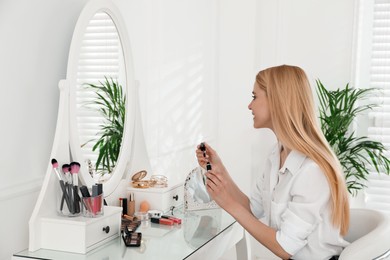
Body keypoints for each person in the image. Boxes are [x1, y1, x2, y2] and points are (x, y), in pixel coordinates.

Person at [196, 65, 350, 260]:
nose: (249, 106)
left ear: (277, 101)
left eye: (254, 97)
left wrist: (228, 204)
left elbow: (285, 247)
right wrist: (220, 170)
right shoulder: (276, 155)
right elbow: (253, 209)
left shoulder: (312, 170)